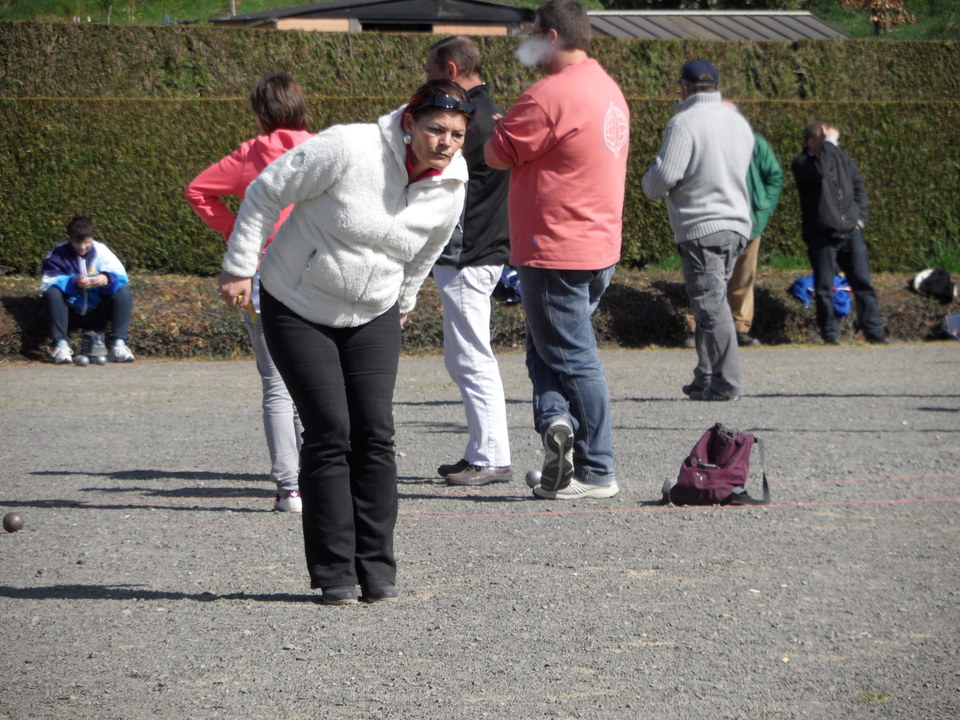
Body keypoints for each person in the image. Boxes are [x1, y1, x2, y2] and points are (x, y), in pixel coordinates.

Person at [218, 79, 471, 605]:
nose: (445, 142)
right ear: (408, 123)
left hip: (374, 309)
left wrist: (403, 300)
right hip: (296, 301)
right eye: (435, 129)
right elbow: (267, 189)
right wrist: (240, 266)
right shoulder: (348, 147)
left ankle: (377, 568)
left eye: (456, 134)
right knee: (330, 429)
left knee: (375, 433)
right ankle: (334, 573)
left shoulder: (453, 182)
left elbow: (428, 248)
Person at [484, 0, 629, 500]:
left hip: (555, 247)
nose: (522, 45)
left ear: (549, 35)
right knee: (550, 348)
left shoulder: (547, 95)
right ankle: (558, 432)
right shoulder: (606, 88)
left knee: (572, 356)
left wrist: (506, 125)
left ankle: (596, 469)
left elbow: (495, 153)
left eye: (528, 35)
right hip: (596, 245)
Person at [185, 73, 313, 514]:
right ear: (300, 106)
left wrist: (238, 233)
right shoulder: (323, 148)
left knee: (276, 384)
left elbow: (198, 191)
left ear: (260, 113)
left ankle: (289, 487)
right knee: (317, 382)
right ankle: (319, 476)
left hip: (262, 276)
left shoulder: (249, 154)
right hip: (318, 277)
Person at [426, 36, 513, 487]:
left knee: (471, 356)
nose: (427, 84)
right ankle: (482, 450)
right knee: (464, 356)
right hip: (484, 246)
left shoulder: (470, 122)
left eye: (431, 73)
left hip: (468, 251)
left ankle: (491, 456)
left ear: (452, 69)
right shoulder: (492, 112)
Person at [642, 60, 754, 402]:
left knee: (711, 305)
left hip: (702, 225)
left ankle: (726, 383)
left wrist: (649, 177)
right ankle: (705, 375)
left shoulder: (684, 123)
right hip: (737, 223)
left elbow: (662, 181)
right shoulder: (738, 122)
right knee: (712, 301)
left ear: (685, 88)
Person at [791, 120, 887, 345]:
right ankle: (830, 332)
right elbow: (822, 172)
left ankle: (874, 330)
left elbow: (858, 188)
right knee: (824, 286)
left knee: (863, 282)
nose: (833, 144)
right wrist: (828, 144)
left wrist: (859, 219)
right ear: (812, 141)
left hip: (850, 231)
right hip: (822, 234)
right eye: (826, 141)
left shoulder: (843, 159)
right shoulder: (803, 162)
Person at [40, 215, 135, 364]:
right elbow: (47, 282)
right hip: (68, 312)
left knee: (124, 293)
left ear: (92, 238)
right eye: (78, 242)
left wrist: (107, 278)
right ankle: (61, 345)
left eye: (87, 243)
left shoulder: (102, 251)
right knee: (52, 293)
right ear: (70, 238)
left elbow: (121, 276)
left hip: (97, 310)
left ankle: (119, 344)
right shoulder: (58, 253)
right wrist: (73, 282)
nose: (83, 247)